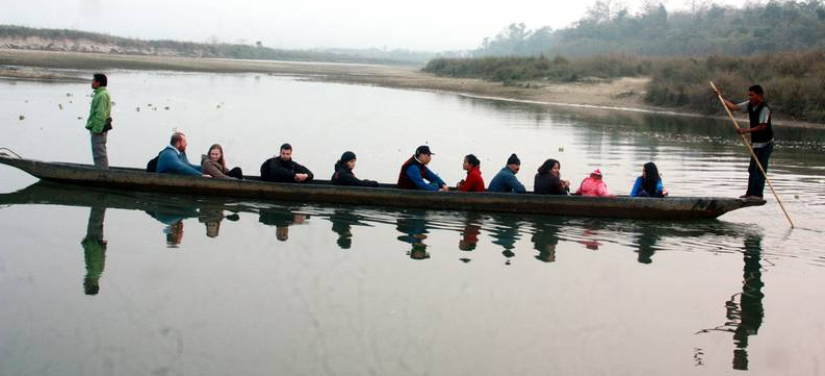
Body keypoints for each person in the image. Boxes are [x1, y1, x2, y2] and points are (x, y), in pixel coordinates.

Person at [715, 84, 774, 199]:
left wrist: (745, 130)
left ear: (760, 95)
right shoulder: (749, 105)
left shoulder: (764, 108)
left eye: (752, 95)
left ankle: (757, 195)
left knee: (760, 169)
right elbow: (732, 108)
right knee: (752, 169)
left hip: (766, 143)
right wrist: (720, 97)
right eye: (749, 95)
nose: (750, 97)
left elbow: (762, 126)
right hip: (757, 143)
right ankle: (749, 193)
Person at [85, 73, 112, 168]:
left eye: (93, 80)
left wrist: (96, 130)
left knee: (99, 153)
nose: (91, 83)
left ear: (98, 83)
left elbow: (101, 114)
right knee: (99, 152)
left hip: (99, 129)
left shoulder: (102, 95)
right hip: (98, 128)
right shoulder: (100, 94)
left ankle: (102, 174)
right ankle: (101, 171)